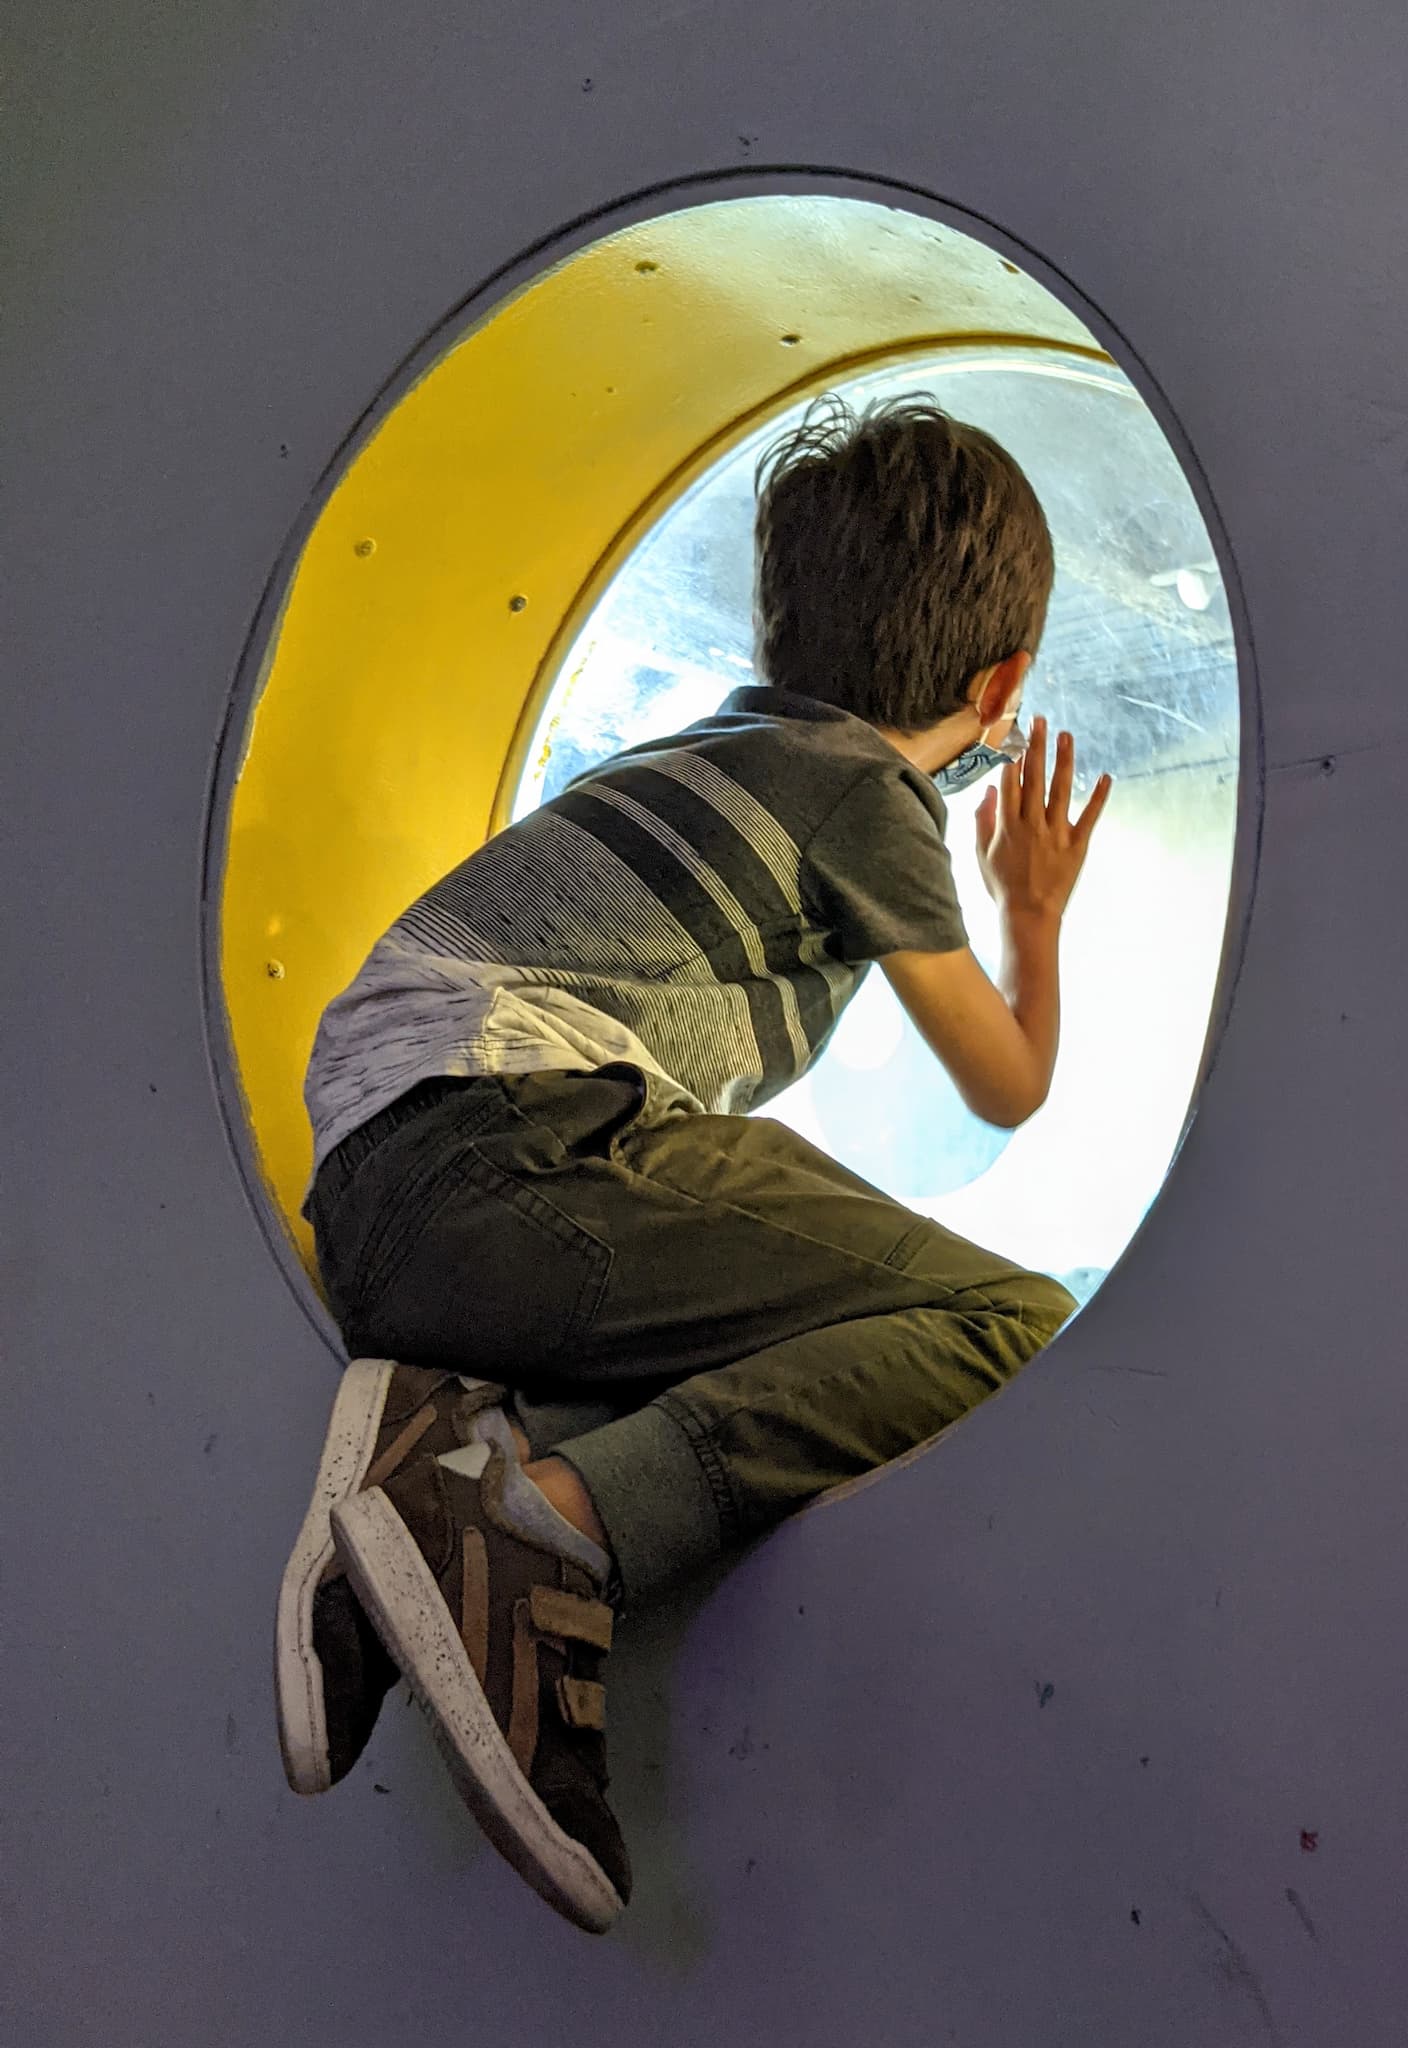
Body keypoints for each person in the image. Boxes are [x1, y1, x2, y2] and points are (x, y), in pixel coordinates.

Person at [271, 394, 1112, 1933]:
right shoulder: (868, 786)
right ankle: (521, 1534)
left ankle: (448, 1425)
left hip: (387, 1200)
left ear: (781, 621)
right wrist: (1033, 914)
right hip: (520, 1131)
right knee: (1009, 1320)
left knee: (733, 1293)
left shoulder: (725, 739)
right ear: (1002, 684)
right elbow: (1006, 1084)